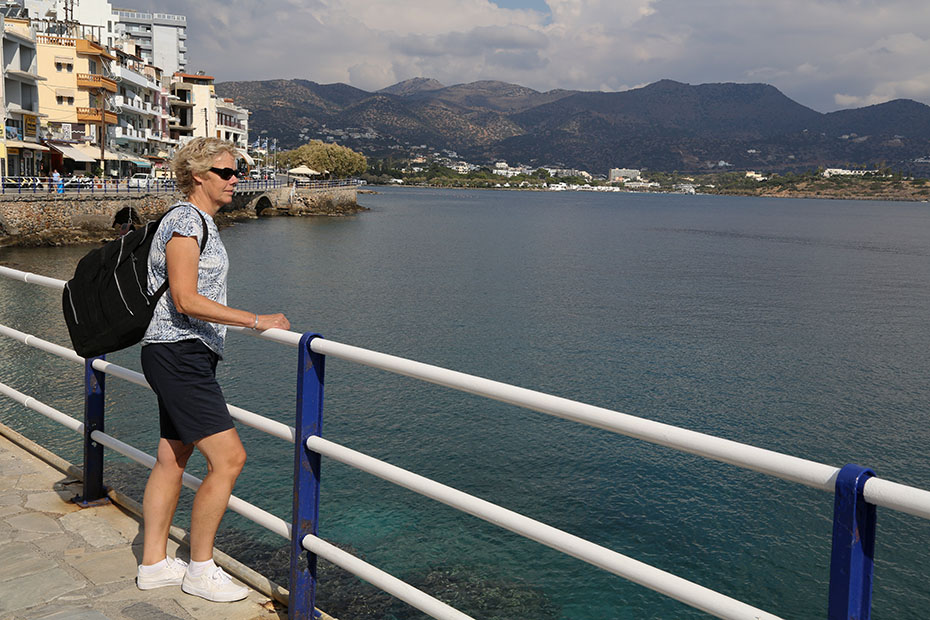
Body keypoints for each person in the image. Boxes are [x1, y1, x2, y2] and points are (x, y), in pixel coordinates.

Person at [135, 137, 290, 602]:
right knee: (229, 459)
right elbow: (185, 298)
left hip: (182, 352)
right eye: (225, 172)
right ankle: (201, 569)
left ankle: (153, 564)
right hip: (178, 353)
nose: (235, 179)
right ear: (197, 175)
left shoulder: (199, 221)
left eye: (237, 171)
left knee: (172, 457)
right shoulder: (186, 221)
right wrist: (255, 319)